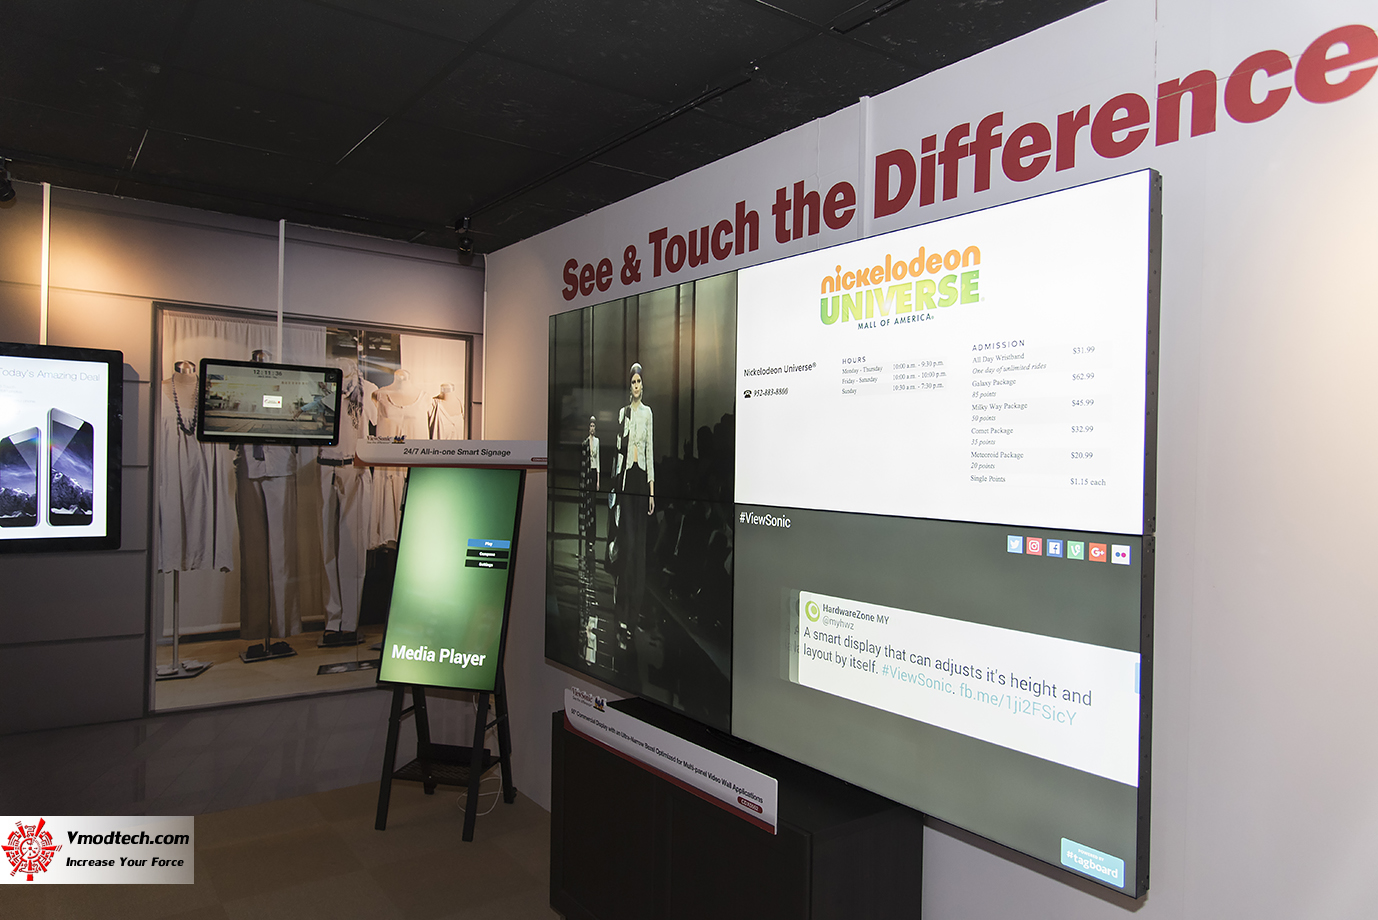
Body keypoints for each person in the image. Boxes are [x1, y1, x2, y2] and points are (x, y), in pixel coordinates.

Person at [614, 364, 653, 641]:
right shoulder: (623, 413)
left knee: (639, 549)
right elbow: (619, 450)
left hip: (642, 481)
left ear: (642, 385)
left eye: (639, 381)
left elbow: (650, 449)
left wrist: (652, 491)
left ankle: (633, 614)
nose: (636, 385)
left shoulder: (648, 413)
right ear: (629, 386)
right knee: (627, 545)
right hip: (627, 481)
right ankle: (622, 610)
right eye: (633, 381)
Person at [580, 416, 600, 663]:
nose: (592, 428)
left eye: (594, 425)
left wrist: (598, 479)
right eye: (591, 425)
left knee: (593, 509)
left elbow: (598, 461)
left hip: (594, 475)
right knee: (587, 508)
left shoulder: (597, 443)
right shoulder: (585, 443)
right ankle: (587, 538)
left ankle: (591, 538)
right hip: (586, 476)